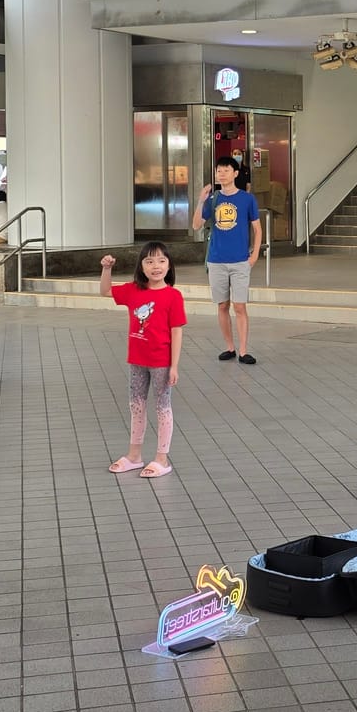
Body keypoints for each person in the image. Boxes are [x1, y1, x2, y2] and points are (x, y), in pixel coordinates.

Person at [100, 244, 186, 479]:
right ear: (141, 266)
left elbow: (177, 331)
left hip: (161, 362)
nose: (156, 266)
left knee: (162, 407)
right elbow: (105, 291)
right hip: (137, 360)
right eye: (149, 261)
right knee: (136, 406)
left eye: (161, 261)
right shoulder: (133, 290)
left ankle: (162, 458)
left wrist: (174, 366)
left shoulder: (173, 296)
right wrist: (107, 269)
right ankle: (134, 456)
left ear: (169, 265)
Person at [202, 157, 262, 366]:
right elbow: (196, 225)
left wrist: (254, 255)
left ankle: (244, 351)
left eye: (226, 170)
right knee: (222, 305)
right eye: (219, 170)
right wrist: (201, 200)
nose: (221, 174)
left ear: (235, 174)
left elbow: (257, 229)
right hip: (216, 260)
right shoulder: (212, 199)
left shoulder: (247, 199)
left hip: (240, 261)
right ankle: (230, 347)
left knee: (239, 306)